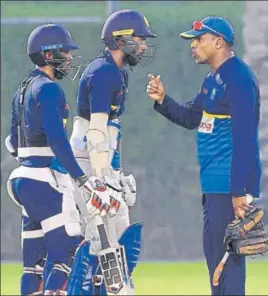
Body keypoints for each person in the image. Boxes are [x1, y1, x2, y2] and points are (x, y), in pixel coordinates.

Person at [146, 16, 261, 295]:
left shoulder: (239, 78)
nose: (193, 45)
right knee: (216, 268)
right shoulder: (213, 79)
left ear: (219, 42)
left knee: (228, 266)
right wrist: (163, 100)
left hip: (228, 188)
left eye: (199, 39)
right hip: (213, 185)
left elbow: (245, 138)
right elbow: (189, 117)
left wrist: (239, 192)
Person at [5, 23, 116, 295]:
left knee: (33, 264)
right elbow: (57, 141)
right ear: (48, 54)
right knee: (66, 247)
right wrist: (83, 179)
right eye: (64, 53)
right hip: (44, 179)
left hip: (21, 179)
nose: (68, 58)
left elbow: (11, 143)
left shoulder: (23, 88)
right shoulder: (49, 89)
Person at [67, 9, 157, 295]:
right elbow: (95, 131)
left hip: (101, 161)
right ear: (122, 40)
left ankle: (111, 288)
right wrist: (100, 180)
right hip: (88, 161)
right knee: (99, 240)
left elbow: (111, 131)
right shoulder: (104, 72)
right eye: (139, 39)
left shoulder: (119, 71)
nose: (143, 46)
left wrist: (114, 174)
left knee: (118, 237)